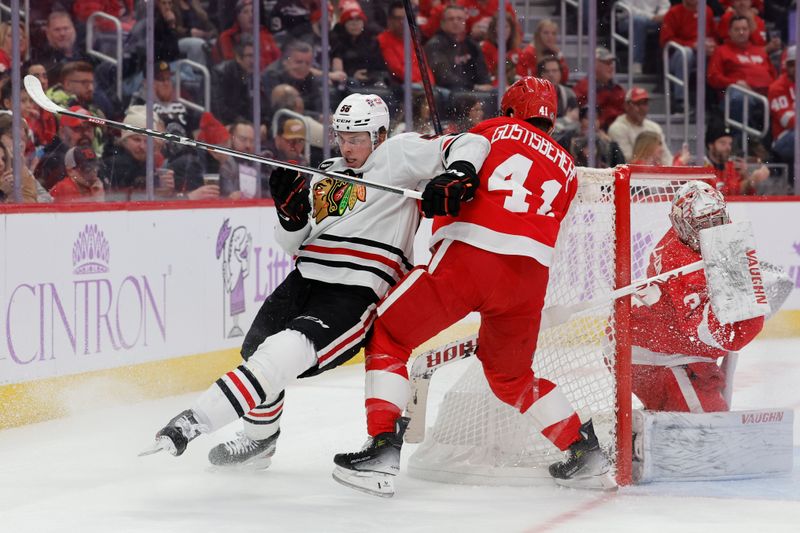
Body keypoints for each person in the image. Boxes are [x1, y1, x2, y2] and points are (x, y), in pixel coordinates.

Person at [142, 93, 491, 471]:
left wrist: (457, 173)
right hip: (305, 278)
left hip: (355, 289)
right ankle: (260, 440)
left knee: (278, 357)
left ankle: (192, 423)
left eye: (357, 138)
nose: (348, 146)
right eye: (341, 136)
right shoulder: (327, 170)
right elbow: (292, 242)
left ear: (380, 135)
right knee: (256, 349)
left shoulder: (400, 154)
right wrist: (291, 218)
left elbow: (474, 142)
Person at [332, 77, 617, 497]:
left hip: (471, 256)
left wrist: (448, 184)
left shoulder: (488, 132)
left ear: (508, 110)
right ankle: (583, 450)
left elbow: (451, 165)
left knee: (388, 334)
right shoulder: (567, 167)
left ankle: (380, 448)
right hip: (529, 278)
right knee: (511, 376)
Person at [630, 181, 764, 412]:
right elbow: (709, 333)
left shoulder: (698, 232)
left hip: (676, 348)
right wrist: (746, 314)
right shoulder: (682, 266)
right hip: (647, 355)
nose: (712, 231)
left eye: (716, 221)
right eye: (703, 226)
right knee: (705, 427)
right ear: (681, 225)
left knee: (708, 421)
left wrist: (746, 297)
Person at [608, 87, 673, 165]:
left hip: (653, 172)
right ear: (627, 106)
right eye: (638, 104)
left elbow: (666, 158)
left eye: (645, 104)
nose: (643, 108)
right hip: (631, 174)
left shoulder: (654, 127)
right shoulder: (617, 128)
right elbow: (627, 161)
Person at [573, 48, 625, 130]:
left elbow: (622, 116)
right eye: (607, 63)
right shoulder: (582, 88)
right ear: (594, 65)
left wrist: (602, 122)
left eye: (611, 63)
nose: (611, 67)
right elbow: (579, 116)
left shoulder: (618, 90)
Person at [768, 46, 796, 184]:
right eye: (792, 64)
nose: (795, 68)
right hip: (783, 139)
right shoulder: (778, 87)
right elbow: (789, 121)